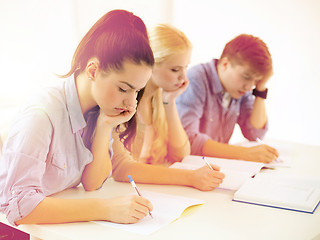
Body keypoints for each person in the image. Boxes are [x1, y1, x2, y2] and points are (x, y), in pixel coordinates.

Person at [0, 9, 154, 226]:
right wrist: (106, 208)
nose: (131, 104)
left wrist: (105, 125)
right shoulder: (42, 114)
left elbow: (92, 183)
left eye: (136, 92)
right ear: (93, 70)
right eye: (123, 88)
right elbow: (20, 207)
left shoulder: (99, 110)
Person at [111, 24, 225, 191]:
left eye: (186, 67)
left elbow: (180, 155)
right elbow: (122, 170)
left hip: (155, 192)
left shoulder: (158, 99)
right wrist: (190, 177)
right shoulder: (124, 102)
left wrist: (170, 102)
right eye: (175, 69)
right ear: (149, 65)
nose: (183, 77)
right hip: (127, 193)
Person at [176, 34, 279, 163]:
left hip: (214, 167)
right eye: (246, 77)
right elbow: (188, 140)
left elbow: (255, 133)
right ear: (225, 64)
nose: (249, 87)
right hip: (189, 167)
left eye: (256, 81)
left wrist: (260, 89)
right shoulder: (195, 80)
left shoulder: (240, 89)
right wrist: (244, 154)